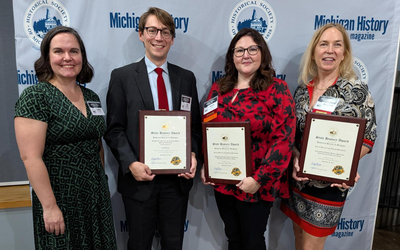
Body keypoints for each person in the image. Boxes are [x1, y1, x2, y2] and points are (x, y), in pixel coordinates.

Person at [104, 7, 202, 250]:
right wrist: (130, 164)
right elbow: (114, 129)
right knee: (138, 244)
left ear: (172, 38)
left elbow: (196, 128)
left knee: (173, 244)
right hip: (139, 179)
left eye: (165, 32)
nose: (159, 37)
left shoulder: (186, 78)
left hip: (177, 182)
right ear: (141, 35)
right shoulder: (122, 77)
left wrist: (192, 155)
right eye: (152, 30)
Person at [14, 26, 117, 249]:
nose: (67, 58)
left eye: (74, 51)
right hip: (59, 195)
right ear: (47, 57)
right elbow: (30, 158)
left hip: (95, 194)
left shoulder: (91, 97)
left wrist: (100, 182)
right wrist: (50, 207)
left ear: (82, 56)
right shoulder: (35, 97)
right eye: (59, 51)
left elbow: (95, 141)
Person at [280, 23, 377, 250]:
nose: (329, 50)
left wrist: (347, 165)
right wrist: (295, 157)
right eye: (323, 44)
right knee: (298, 236)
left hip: (330, 184)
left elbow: (369, 136)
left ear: (344, 54)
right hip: (298, 182)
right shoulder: (302, 90)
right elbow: (293, 137)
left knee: (312, 245)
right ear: (314, 51)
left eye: (337, 45)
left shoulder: (356, 90)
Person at [201, 28, 296, 250]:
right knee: (233, 237)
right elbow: (208, 130)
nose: (246, 55)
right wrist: (207, 164)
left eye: (252, 49)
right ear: (232, 57)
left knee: (253, 241)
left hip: (256, 184)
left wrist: (260, 179)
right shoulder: (218, 89)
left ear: (262, 53)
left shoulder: (277, 89)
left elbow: (284, 140)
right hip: (223, 181)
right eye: (240, 50)